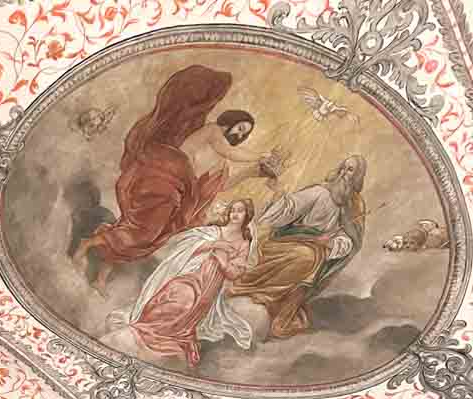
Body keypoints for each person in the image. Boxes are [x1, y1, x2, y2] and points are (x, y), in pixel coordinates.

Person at [73, 65, 281, 292]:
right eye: (240, 128)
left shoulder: (222, 162)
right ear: (229, 122)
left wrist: (254, 173)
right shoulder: (213, 132)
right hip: (165, 178)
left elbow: (220, 186)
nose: (240, 135)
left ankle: (101, 278)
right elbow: (230, 151)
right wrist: (261, 155)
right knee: (142, 232)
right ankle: (86, 246)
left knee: (144, 237)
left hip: (177, 193)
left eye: (244, 134)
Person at [225, 155, 367, 337]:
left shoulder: (353, 206)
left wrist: (331, 242)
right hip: (288, 241)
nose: (343, 173)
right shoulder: (321, 192)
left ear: (358, 176)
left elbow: (350, 239)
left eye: (350, 170)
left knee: (313, 260)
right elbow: (291, 207)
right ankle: (255, 289)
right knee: (307, 257)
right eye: (343, 167)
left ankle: (280, 315)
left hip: (319, 249)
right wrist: (278, 193)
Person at [117, 198, 256, 366]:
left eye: (240, 211)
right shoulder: (212, 231)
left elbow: (235, 273)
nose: (235, 214)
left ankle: (170, 336)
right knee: (180, 297)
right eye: (233, 210)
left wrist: (223, 261)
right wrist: (213, 244)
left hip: (211, 285)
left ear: (247, 215)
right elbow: (186, 246)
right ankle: (147, 326)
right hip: (192, 272)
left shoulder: (243, 243)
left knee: (192, 311)